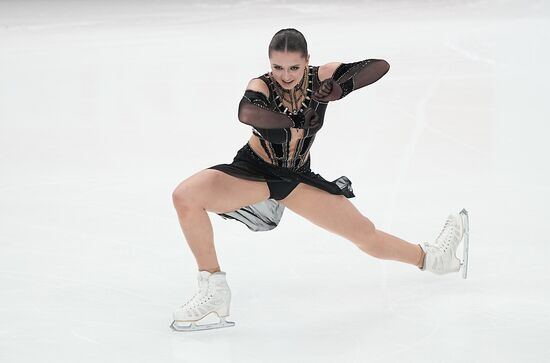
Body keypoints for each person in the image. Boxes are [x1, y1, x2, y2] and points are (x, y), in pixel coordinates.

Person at [169, 28, 469, 332]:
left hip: (296, 177)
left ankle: (433, 258)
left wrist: (340, 88)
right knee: (186, 196)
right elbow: (247, 113)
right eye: (278, 67)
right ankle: (214, 289)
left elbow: (379, 66)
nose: (286, 75)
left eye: (294, 67)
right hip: (255, 171)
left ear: (307, 61)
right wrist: (294, 121)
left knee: (365, 234)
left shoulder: (322, 76)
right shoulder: (261, 86)